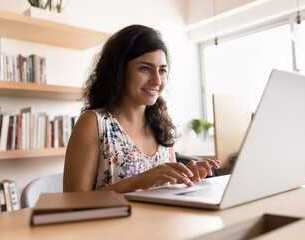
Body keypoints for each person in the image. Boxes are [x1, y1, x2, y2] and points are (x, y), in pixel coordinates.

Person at [63, 24, 220, 193]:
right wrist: (138, 181)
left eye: (162, 70)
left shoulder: (162, 126)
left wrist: (187, 178)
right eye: (145, 68)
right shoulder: (94, 123)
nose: (157, 81)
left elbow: (169, 192)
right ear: (119, 70)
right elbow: (73, 202)